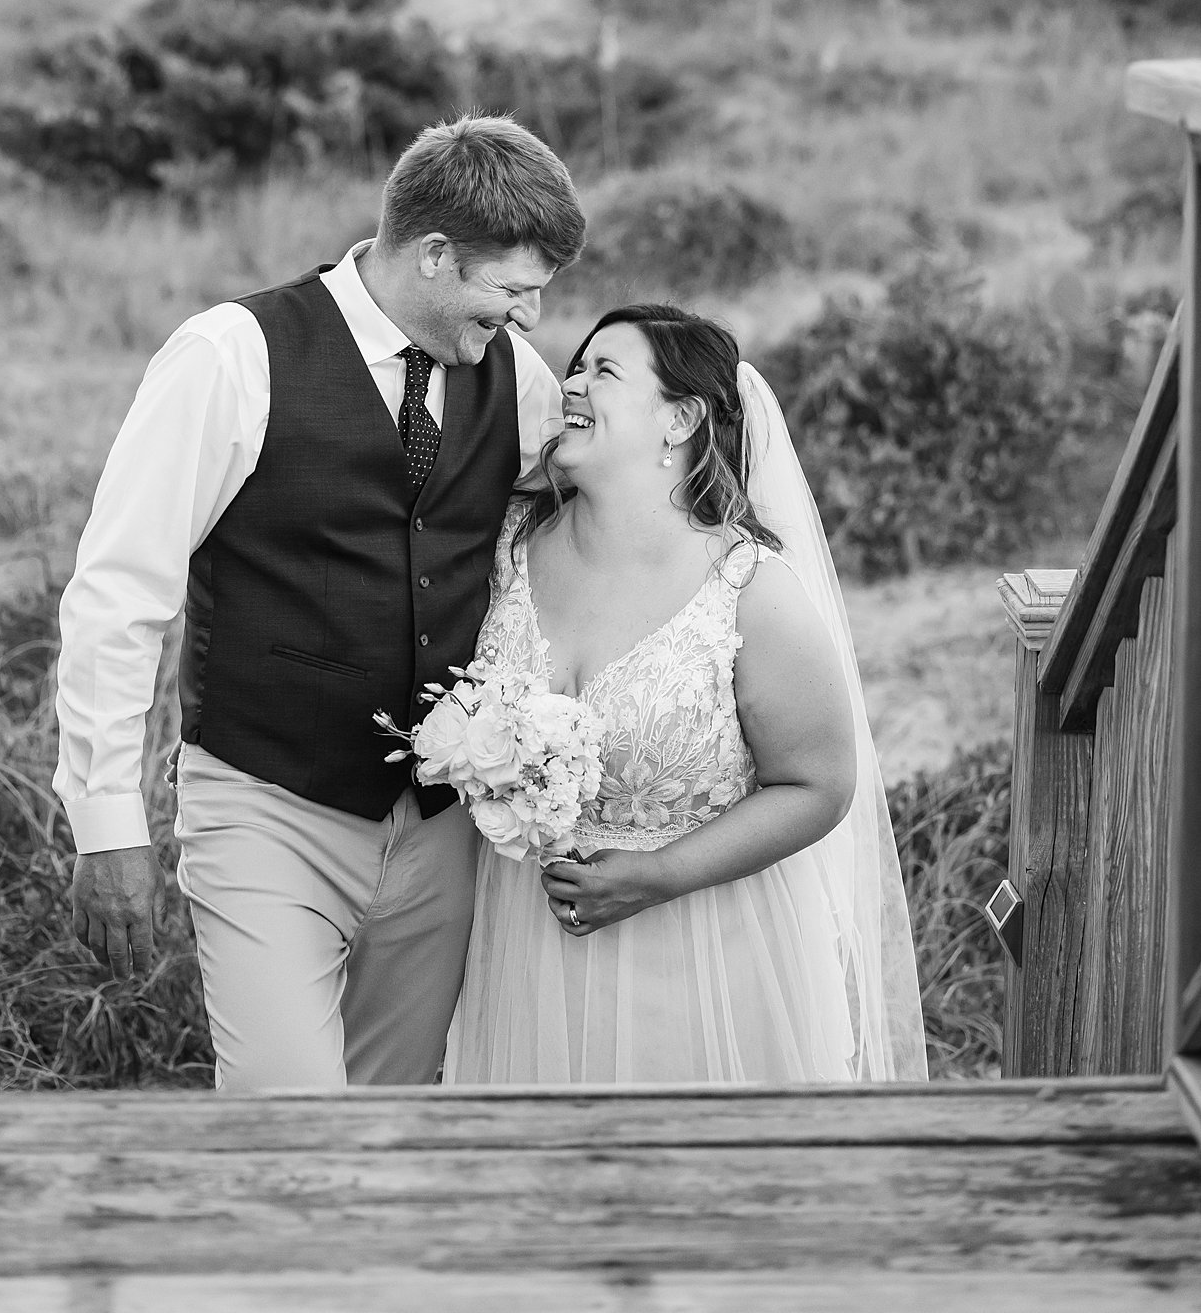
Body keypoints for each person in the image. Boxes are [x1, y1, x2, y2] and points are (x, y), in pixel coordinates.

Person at [53, 114, 584, 1090]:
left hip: (443, 831)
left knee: (398, 1128)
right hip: (267, 804)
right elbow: (119, 591)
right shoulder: (231, 354)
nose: (528, 318)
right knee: (284, 1121)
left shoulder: (523, 382)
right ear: (434, 254)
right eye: (513, 290)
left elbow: (560, 557)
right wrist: (107, 819)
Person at [444, 303, 928, 1085]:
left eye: (603, 371)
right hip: (525, 941)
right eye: (576, 365)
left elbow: (818, 785)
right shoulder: (506, 548)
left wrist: (657, 875)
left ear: (680, 419)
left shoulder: (748, 591)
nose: (571, 383)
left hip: (702, 946)